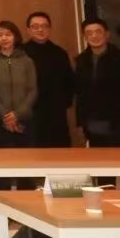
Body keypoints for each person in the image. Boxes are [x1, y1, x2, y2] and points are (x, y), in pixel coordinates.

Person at [75, 17, 120, 189]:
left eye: (98, 32)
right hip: (94, 125)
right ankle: (106, 202)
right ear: (84, 37)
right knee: (103, 173)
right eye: (89, 33)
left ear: (107, 35)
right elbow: (81, 94)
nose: (94, 36)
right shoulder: (81, 60)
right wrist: (81, 123)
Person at [0, 20, 38, 190]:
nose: (4, 38)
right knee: (0, 168)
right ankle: (0, 204)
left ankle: (26, 203)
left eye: (8, 34)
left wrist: (17, 114)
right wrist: (5, 116)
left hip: (24, 120)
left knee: (25, 167)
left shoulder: (26, 60)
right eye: (0, 35)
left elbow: (32, 90)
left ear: (15, 36)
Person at [24, 12, 75, 148]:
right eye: (35, 26)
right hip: (30, 115)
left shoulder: (60, 53)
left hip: (56, 114)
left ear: (50, 29)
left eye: (44, 26)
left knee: (59, 153)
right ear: (28, 30)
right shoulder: (20, 53)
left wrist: (63, 102)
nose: (40, 30)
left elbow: (69, 83)